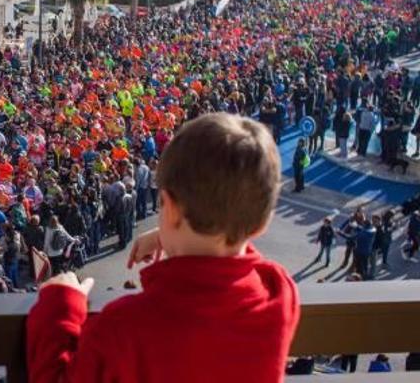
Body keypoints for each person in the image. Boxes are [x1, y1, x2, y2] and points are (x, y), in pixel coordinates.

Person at [26, 114, 298, 382]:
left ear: (168, 207)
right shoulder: (279, 292)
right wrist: (174, 231)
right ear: (261, 226)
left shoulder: (122, 326)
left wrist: (60, 304)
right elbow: (245, 261)